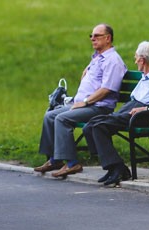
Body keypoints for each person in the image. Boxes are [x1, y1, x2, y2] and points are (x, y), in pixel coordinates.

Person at [35, 23, 127, 178]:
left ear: (108, 38)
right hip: (84, 104)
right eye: (91, 36)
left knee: (62, 119)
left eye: (97, 36)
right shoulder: (98, 58)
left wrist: (85, 102)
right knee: (50, 115)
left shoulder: (113, 60)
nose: (92, 38)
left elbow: (107, 89)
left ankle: (72, 163)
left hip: (98, 107)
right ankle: (55, 159)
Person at [82, 41, 149, 186]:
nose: (135, 60)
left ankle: (118, 168)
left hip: (141, 115)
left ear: (142, 60)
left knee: (99, 127)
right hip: (131, 109)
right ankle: (113, 167)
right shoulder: (146, 75)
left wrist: (144, 109)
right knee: (90, 125)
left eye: (136, 57)